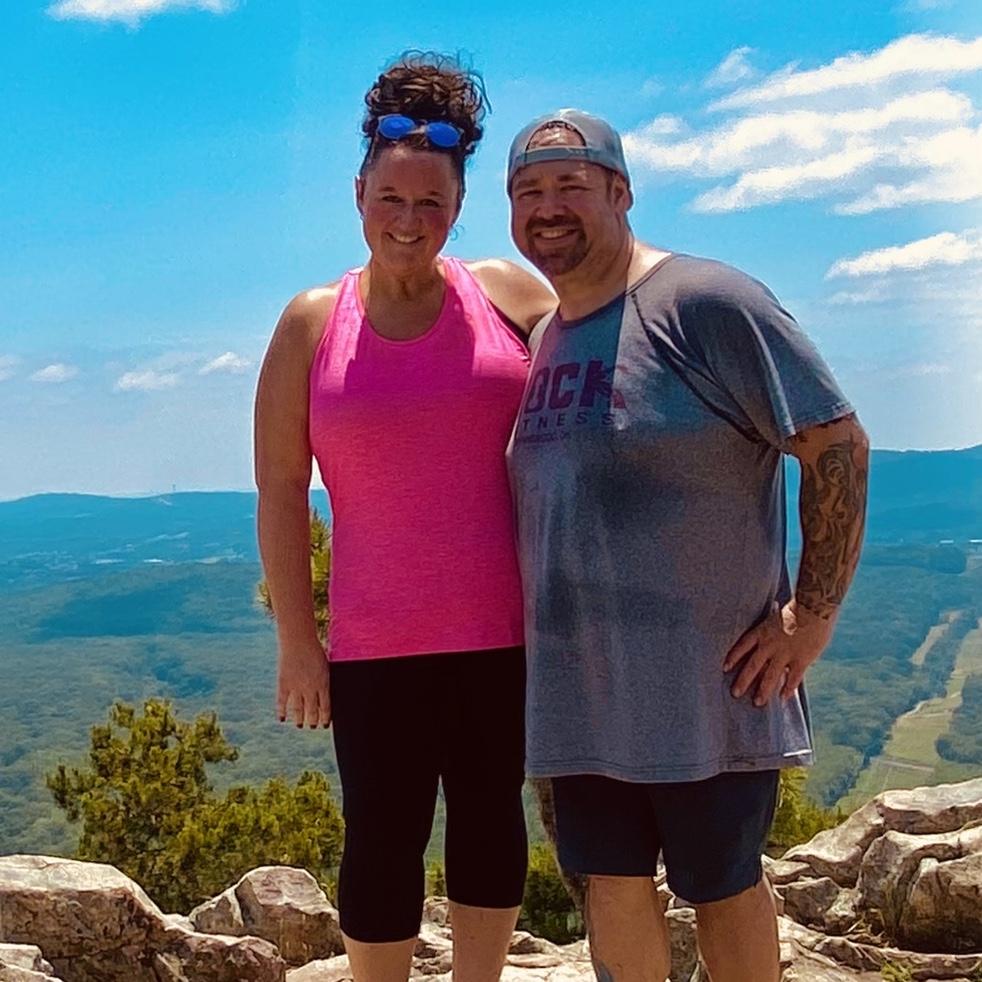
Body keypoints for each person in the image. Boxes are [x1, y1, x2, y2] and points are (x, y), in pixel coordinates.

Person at [505, 109, 869, 982]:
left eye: (570, 185)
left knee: (724, 884)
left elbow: (836, 444)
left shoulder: (704, 302)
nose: (548, 208)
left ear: (621, 192)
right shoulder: (548, 337)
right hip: (580, 695)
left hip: (711, 689)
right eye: (527, 192)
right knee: (610, 886)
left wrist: (810, 617)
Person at [254, 54, 555, 982]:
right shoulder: (312, 323)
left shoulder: (510, 296)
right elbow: (279, 491)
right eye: (391, 197)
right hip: (374, 641)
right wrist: (299, 642)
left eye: (431, 202)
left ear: (458, 207)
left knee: (491, 820)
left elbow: (607, 363)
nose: (409, 220)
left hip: (505, 630)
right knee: (381, 835)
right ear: (359, 195)